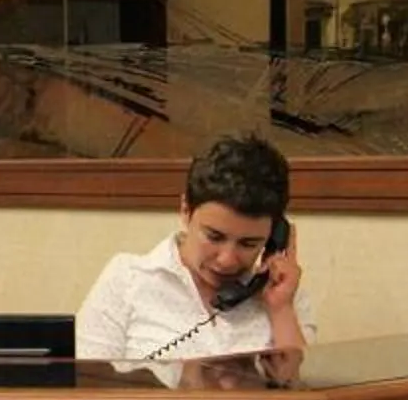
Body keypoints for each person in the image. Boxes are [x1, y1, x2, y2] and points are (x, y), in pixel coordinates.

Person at [75, 132, 307, 369]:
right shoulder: (128, 278)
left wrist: (281, 309)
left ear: (274, 236)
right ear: (186, 210)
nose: (227, 260)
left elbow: (300, 393)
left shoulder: (284, 294)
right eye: (214, 237)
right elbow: (84, 388)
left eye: (248, 244)